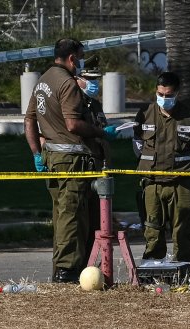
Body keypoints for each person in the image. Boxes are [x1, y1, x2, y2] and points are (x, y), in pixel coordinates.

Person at [24, 38, 119, 284]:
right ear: (72, 58)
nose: (81, 63)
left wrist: (36, 153)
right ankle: (67, 271)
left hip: (54, 159)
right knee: (73, 217)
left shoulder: (43, 81)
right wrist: (101, 133)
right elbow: (72, 124)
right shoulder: (67, 83)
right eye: (81, 57)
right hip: (72, 160)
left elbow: (28, 120)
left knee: (65, 215)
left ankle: (70, 268)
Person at [130, 71, 190, 271]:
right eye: (161, 94)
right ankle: (153, 267)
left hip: (181, 181)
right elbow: (137, 144)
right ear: (156, 92)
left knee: (184, 226)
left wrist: (184, 166)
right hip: (152, 180)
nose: (164, 99)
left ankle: (185, 267)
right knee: (152, 225)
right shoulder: (144, 113)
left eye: (169, 95)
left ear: (177, 93)